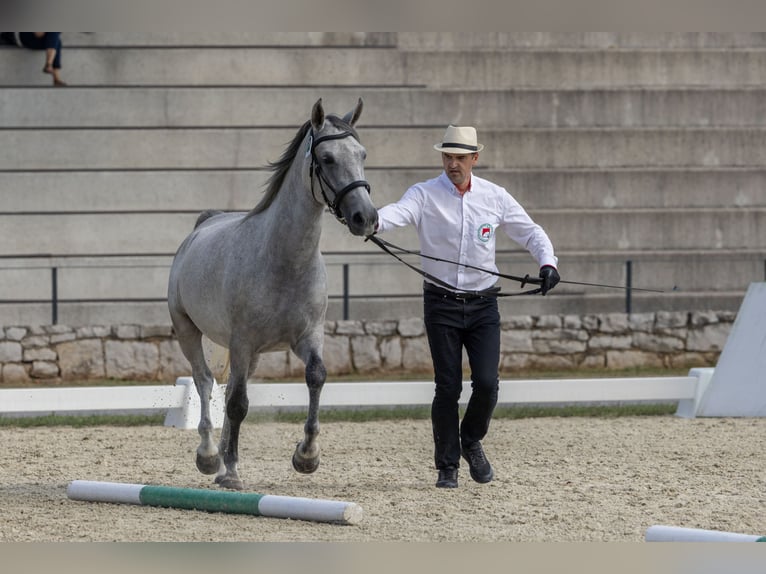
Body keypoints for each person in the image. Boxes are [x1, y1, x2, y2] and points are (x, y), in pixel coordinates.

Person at [374, 125, 560, 488]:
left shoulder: (495, 196)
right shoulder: (424, 194)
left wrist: (547, 263)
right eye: (447, 156)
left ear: (475, 158)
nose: (452, 164)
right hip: (441, 303)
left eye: (460, 157)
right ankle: (447, 466)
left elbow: (531, 232)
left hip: (483, 304)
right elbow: (397, 213)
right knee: (447, 387)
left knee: (488, 384)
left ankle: (470, 439)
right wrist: (372, 221)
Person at [0, 32, 66, 86]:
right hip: (28, 37)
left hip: (46, 39)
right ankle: (53, 72)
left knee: (56, 40)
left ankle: (49, 65)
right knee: (56, 39)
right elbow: (38, 33)